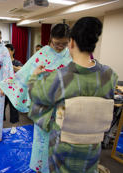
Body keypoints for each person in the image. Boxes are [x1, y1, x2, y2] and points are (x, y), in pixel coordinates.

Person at [27, 17, 118, 172]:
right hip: (93, 143)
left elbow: (35, 94)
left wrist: (34, 76)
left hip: (64, 142)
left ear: (72, 42)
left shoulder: (60, 76)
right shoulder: (110, 75)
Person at [0, 23, 72, 113]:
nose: (60, 47)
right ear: (51, 39)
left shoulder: (71, 55)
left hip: (62, 97)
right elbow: (25, 71)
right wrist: (6, 86)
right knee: (42, 124)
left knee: (60, 124)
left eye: (64, 44)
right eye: (56, 43)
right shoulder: (43, 53)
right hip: (41, 96)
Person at [4, 44, 23, 134]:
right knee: (1, 107)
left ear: (12, 51)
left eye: (8, 50)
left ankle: (14, 126)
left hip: (13, 89)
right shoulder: (2, 63)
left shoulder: (17, 62)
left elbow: (21, 70)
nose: (7, 53)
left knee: (13, 108)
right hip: (3, 88)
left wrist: (11, 66)